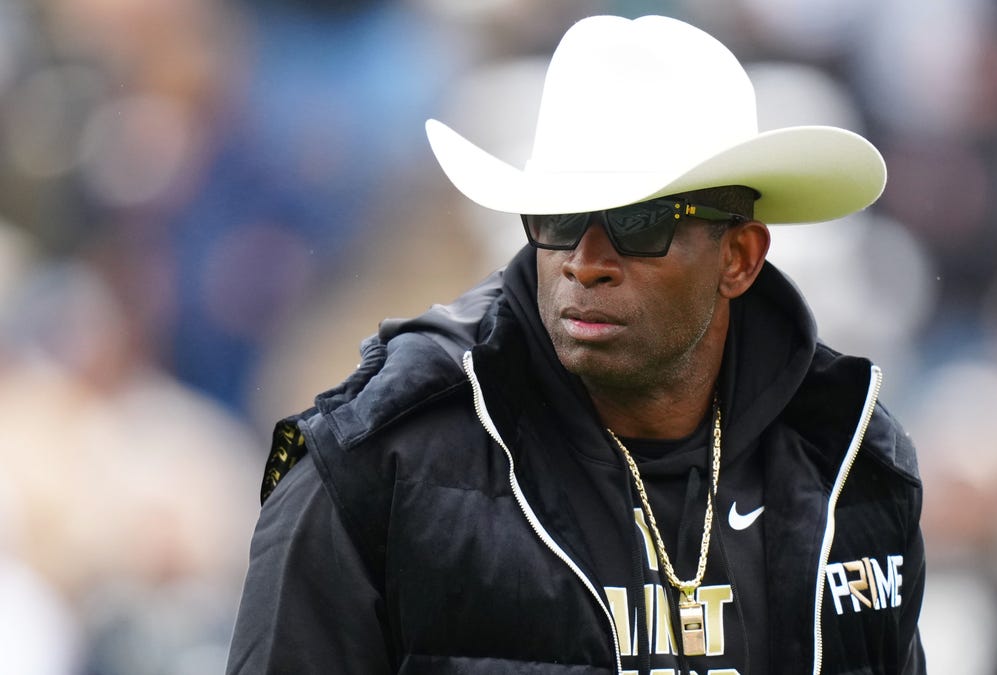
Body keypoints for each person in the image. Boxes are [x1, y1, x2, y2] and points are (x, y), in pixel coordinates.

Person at [227, 14, 926, 675]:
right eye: (559, 218)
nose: (584, 261)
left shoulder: (849, 463)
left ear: (738, 257)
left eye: (640, 222)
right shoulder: (375, 463)